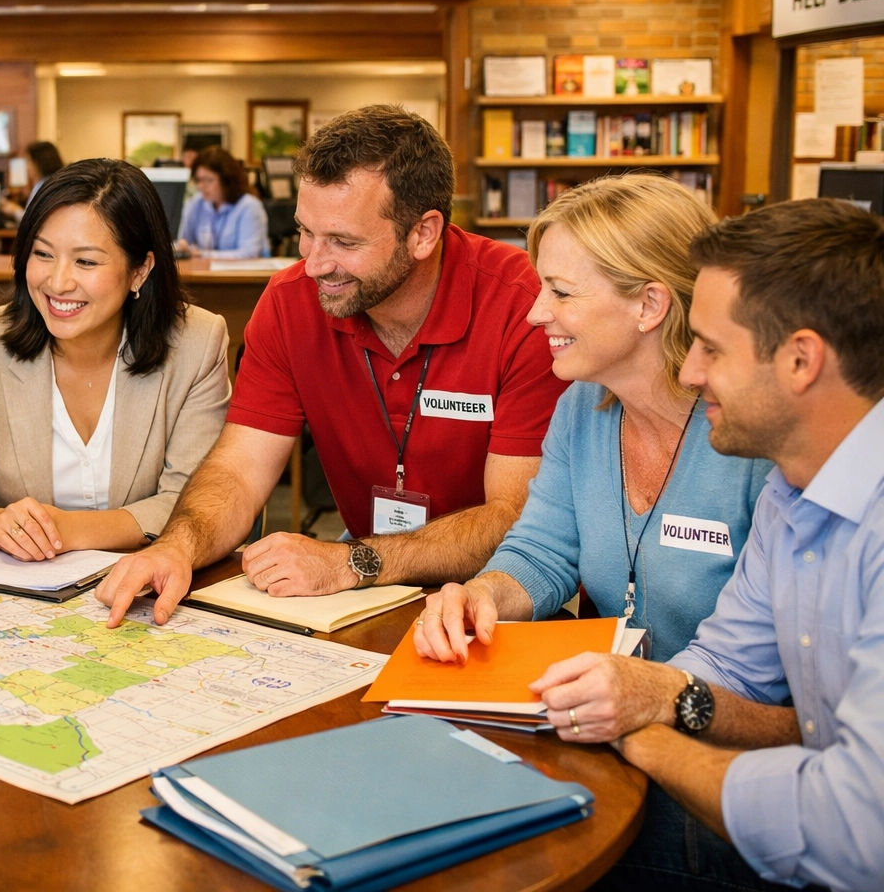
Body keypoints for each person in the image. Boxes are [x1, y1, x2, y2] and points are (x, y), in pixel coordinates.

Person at [527, 199, 884, 891]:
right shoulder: (794, 490)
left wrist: (642, 732)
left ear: (802, 361)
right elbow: (730, 662)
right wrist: (638, 690)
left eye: (713, 349)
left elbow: (853, 827)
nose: (689, 372)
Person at [97, 105, 569, 627]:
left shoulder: (526, 305)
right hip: (363, 572)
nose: (315, 263)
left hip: (489, 590)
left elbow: (516, 518)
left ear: (423, 233)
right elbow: (238, 469)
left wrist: (353, 561)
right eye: (305, 232)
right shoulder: (290, 301)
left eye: (343, 242)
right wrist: (176, 547)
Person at [415, 175, 770, 665]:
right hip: (609, 706)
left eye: (560, 292)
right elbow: (541, 550)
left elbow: (761, 652)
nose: (535, 314)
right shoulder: (583, 406)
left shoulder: (753, 439)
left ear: (649, 305)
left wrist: (645, 696)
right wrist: (484, 595)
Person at [0, 158, 230, 558]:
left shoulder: (196, 343)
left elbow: (191, 501)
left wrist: (68, 530)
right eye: (42, 254)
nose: (57, 282)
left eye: (86, 261)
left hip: (147, 582)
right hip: (22, 590)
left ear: (140, 270)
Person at [175, 146, 270, 259]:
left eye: (208, 180)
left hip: (241, 274)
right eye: (198, 180)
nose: (201, 186)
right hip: (204, 274)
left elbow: (249, 253)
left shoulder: (249, 206)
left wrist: (200, 254)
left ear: (227, 180)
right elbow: (184, 241)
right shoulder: (196, 203)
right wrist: (183, 247)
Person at [1, 140, 64, 223]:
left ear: (39, 162)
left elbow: (32, 221)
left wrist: (14, 211)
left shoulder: (44, 186)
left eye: (29, 160)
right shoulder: (54, 182)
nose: (27, 167)